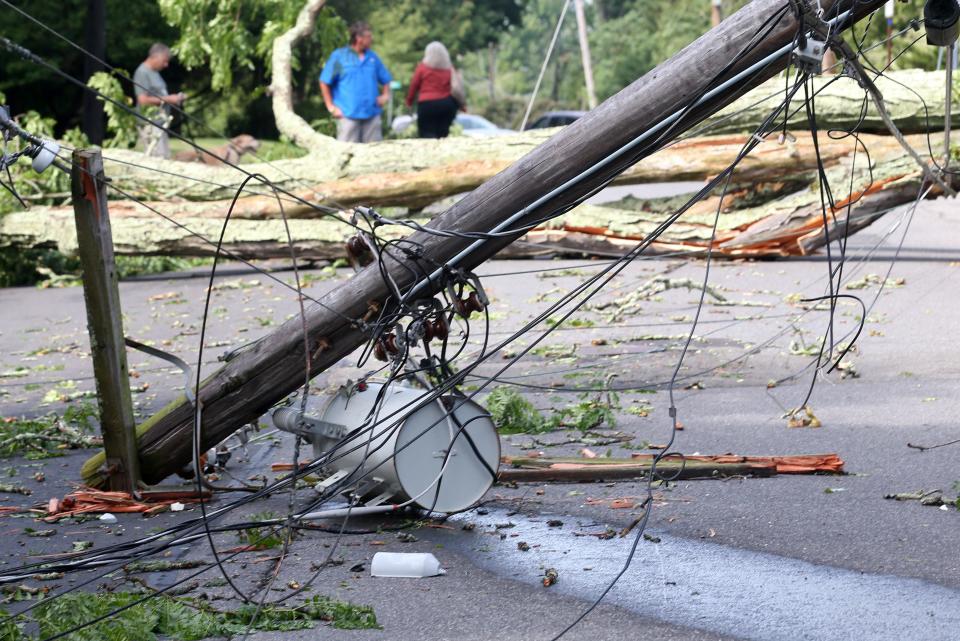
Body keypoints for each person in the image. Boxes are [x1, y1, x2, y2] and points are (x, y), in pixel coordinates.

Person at [320, 22, 392, 143]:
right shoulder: (340, 56)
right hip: (348, 115)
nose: (371, 39)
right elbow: (324, 81)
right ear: (359, 38)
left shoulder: (372, 57)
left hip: (372, 115)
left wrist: (385, 95)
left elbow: (386, 79)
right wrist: (331, 107)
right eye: (369, 37)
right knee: (347, 153)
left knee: (373, 153)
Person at [132, 43, 185, 158]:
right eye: (164, 61)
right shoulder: (142, 72)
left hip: (160, 123)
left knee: (165, 157)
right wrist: (170, 99)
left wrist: (175, 98)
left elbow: (159, 95)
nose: (166, 65)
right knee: (157, 160)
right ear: (155, 56)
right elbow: (143, 100)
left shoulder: (155, 73)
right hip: (150, 124)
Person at [405, 42, 464, 139]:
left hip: (427, 105)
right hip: (447, 105)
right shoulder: (450, 69)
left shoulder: (422, 68)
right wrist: (462, 105)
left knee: (427, 133)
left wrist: (409, 102)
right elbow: (457, 87)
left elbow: (414, 86)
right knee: (443, 134)